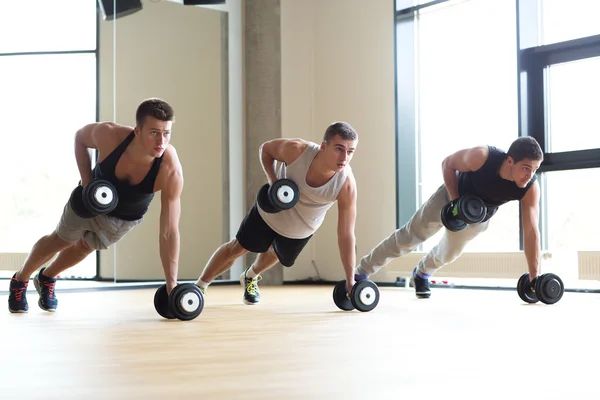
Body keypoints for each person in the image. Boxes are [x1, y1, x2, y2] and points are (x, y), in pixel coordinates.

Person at [8, 98, 184, 313]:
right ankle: (20, 280)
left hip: (124, 218)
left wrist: (171, 285)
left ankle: (46, 277)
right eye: (154, 132)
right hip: (89, 202)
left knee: (85, 247)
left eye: (167, 133)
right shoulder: (110, 136)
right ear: (137, 131)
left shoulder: (170, 169)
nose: (161, 141)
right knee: (61, 240)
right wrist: (87, 181)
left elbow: (168, 231)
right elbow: (80, 138)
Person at [354, 136, 543, 299]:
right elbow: (448, 163)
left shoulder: (530, 188)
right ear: (510, 161)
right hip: (451, 196)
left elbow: (531, 231)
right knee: (409, 237)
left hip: (479, 216)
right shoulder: (482, 156)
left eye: (535, 169)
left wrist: (535, 278)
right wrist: (455, 201)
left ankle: (422, 274)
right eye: (526, 168)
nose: (530, 175)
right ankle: (361, 272)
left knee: (450, 253)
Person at [195, 122, 359, 305]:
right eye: (339, 149)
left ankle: (251, 276)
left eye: (350, 151)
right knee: (238, 247)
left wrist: (350, 279)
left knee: (275, 253)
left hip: (301, 229)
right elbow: (266, 150)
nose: (344, 157)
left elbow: (346, 235)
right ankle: (199, 288)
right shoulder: (297, 151)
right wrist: (273, 181)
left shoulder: (346, 185)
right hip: (270, 214)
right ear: (323, 146)